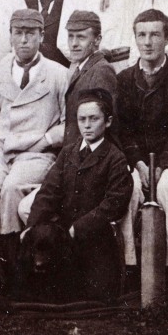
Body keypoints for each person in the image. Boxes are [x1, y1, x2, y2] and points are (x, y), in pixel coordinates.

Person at [116, 9, 168, 276]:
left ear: (167, 39)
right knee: (126, 188)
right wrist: (139, 164)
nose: (148, 42)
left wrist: (161, 166)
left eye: (155, 35)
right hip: (138, 162)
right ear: (135, 39)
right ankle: (127, 267)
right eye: (142, 35)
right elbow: (124, 131)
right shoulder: (125, 80)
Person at [25, 89, 132, 288]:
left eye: (94, 119)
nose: (87, 125)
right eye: (82, 119)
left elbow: (113, 204)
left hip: (96, 239)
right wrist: (32, 226)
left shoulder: (115, 158)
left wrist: (79, 228)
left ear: (107, 122)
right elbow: (49, 191)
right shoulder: (68, 153)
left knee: (91, 293)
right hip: (64, 237)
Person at [0, 9, 68, 235]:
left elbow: (68, 125)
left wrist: (45, 141)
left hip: (37, 153)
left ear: (42, 36)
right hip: (1, 150)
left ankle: (12, 258)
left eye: (30, 33)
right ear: (10, 36)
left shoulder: (59, 75)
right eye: (18, 33)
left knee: (11, 189)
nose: (24, 40)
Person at [61, 10, 117, 148]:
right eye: (70, 37)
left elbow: (102, 128)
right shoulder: (82, 67)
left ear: (97, 40)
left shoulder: (101, 71)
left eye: (81, 37)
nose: (74, 44)